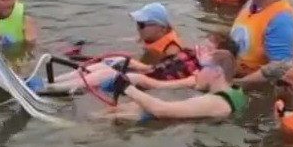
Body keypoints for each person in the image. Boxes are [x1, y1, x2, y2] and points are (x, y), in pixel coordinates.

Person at [39, 32, 238, 95]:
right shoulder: (186, 52)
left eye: (209, 49)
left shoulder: (204, 73)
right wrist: (131, 63)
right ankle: (48, 82)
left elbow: (176, 84)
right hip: (148, 74)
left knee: (103, 75)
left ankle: (54, 90)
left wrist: (138, 77)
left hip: (149, 85)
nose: (202, 48)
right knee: (103, 66)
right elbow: (154, 67)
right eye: (203, 44)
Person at [101, 49, 246, 122]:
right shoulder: (234, 91)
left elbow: (161, 110)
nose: (197, 71)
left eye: (202, 67)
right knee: (128, 108)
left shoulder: (215, 102)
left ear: (217, 72)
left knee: (115, 118)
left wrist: (127, 87)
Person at [230, 0, 293, 87]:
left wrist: (239, 83)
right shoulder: (250, 4)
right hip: (236, 71)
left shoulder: (281, 18)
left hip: (253, 83)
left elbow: (280, 66)